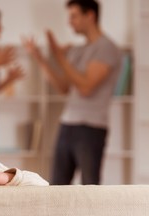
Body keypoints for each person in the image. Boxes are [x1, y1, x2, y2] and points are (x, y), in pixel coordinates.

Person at [23, 0, 121, 185]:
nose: (70, 22)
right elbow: (63, 87)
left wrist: (60, 57)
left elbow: (86, 88)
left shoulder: (107, 48)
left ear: (90, 15)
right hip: (67, 124)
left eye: (74, 16)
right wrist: (40, 58)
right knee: (57, 185)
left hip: (91, 127)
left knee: (89, 186)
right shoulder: (77, 50)